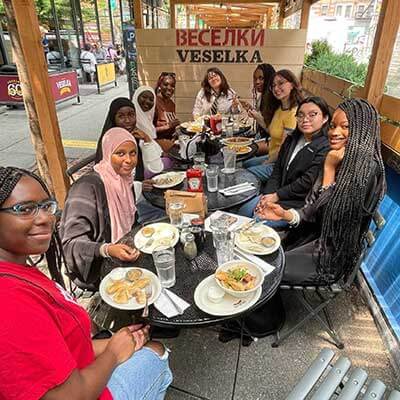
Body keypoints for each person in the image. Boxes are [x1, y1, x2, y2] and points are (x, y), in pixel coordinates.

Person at [0, 166, 172, 400]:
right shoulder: (10, 302)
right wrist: (112, 353)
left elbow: (61, 348)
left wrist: (115, 343)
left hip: (78, 367)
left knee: (141, 343)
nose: (44, 218)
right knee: (158, 352)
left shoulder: (19, 270)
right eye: (25, 209)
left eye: (46, 206)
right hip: (82, 390)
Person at [259, 98, 385, 285]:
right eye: (333, 126)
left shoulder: (366, 172)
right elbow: (312, 209)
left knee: (266, 271)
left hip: (329, 255)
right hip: (309, 237)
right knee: (260, 251)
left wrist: (329, 170)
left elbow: (331, 222)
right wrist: (286, 215)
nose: (334, 132)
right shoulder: (336, 156)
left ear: (362, 131)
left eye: (345, 127)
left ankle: (272, 314)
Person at [61, 128, 142, 287]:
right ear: (107, 153)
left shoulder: (122, 180)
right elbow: (70, 246)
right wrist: (106, 249)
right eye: (120, 153)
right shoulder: (86, 188)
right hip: (97, 268)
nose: (129, 160)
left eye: (133, 153)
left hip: (124, 251)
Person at [239, 96, 331, 228]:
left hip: (297, 203)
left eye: (313, 114)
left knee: (257, 223)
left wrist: (276, 196)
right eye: (301, 115)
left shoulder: (324, 146)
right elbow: (277, 170)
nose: (305, 119)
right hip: (278, 194)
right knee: (244, 211)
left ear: (325, 118)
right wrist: (268, 195)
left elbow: (307, 181)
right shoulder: (292, 139)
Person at [244, 69, 304, 183]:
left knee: (246, 173)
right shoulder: (280, 108)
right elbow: (271, 129)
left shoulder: (293, 113)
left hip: (280, 165)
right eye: (273, 85)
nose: (276, 88)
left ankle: (258, 196)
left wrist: (267, 162)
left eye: (281, 83)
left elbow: (283, 149)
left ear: (292, 85)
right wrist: (256, 115)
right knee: (246, 164)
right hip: (272, 156)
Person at [95, 97, 164, 181]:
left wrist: (147, 140)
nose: (127, 120)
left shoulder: (137, 136)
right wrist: (138, 186)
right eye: (121, 116)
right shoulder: (109, 142)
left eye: (131, 115)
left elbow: (156, 168)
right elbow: (109, 181)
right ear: (113, 119)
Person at [239, 63, 276, 137]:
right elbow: (261, 115)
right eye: (255, 78)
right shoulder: (262, 96)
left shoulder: (274, 99)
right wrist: (250, 109)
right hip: (260, 136)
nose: (257, 82)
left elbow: (272, 130)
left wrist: (256, 115)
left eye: (261, 78)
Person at [154, 72, 180, 152]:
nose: (169, 88)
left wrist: (176, 131)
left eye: (172, 86)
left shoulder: (172, 104)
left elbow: (171, 126)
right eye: (165, 84)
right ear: (159, 86)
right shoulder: (153, 102)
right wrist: (167, 126)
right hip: (156, 143)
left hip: (170, 140)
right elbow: (148, 131)